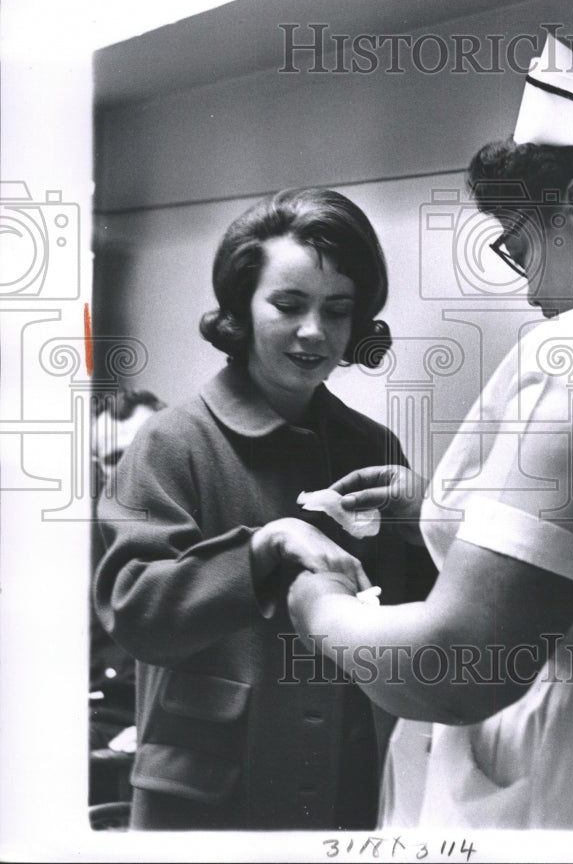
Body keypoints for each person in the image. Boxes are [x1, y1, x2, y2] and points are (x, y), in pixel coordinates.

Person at [287, 36, 573, 829]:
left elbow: (460, 663)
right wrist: (437, 506)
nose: (531, 287)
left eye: (520, 244)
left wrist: (318, 604)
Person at [94, 188, 435, 830]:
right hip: (206, 804)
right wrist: (262, 547)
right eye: (288, 304)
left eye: (338, 310)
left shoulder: (372, 447)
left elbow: (411, 614)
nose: (315, 332)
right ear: (241, 311)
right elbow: (132, 608)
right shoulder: (173, 442)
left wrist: (426, 520)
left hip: (340, 786)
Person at [89, 389, 166, 807]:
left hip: (181, 730)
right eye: (118, 458)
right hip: (98, 721)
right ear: (100, 470)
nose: (139, 469)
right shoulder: (76, 553)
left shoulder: (221, 535)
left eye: (148, 449)